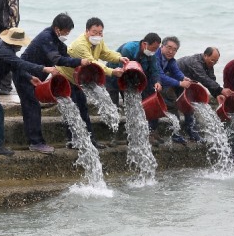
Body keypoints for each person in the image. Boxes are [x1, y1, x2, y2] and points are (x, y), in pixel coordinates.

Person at [0, 28, 58, 156]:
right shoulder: (3, 51)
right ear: (14, 43)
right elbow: (21, 63)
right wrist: (44, 69)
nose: (20, 46)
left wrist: (30, 78)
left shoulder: (5, 48)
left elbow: (15, 66)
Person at [16, 13, 90, 154]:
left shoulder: (56, 39)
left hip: (37, 76)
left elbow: (66, 56)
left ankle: (67, 140)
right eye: (66, 31)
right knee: (32, 108)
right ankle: (35, 143)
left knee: (34, 107)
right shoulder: (46, 38)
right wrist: (79, 61)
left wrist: (80, 68)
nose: (67, 34)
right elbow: (57, 59)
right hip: (24, 75)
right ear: (57, 29)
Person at [57, 17, 128, 149]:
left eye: (100, 32)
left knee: (83, 109)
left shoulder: (99, 41)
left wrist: (119, 58)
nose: (98, 35)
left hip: (78, 80)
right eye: (94, 32)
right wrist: (112, 72)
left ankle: (91, 140)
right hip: (65, 78)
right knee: (71, 110)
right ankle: (73, 141)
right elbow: (92, 63)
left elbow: (105, 53)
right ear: (87, 31)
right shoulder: (80, 44)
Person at [106, 33, 162, 145]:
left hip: (132, 80)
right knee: (113, 107)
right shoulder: (128, 49)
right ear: (145, 44)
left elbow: (155, 70)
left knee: (132, 107)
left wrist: (157, 82)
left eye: (157, 49)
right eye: (153, 48)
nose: (155, 51)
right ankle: (113, 136)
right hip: (114, 78)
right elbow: (126, 68)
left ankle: (131, 136)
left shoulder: (151, 54)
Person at [177, 46, 234, 140]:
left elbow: (211, 79)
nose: (214, 63)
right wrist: (221, 90)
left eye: (216, 61)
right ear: (205, 55)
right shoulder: (195, 62)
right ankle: (180, 133)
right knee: (177, 106)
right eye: (212, 60)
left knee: (191, 104)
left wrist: (217, 94)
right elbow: (203, 78)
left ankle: (191, 131)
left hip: (187, 84)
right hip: (172, 81)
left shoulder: (209, 64)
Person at [155, 36, 192, 144]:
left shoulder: (170, 60)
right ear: (162, 46)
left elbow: (176, 71)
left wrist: (183, 78)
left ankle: (175, 133)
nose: (171, 51)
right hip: (148, 83)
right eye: (168, 47)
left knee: (173, 104)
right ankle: (152, 133)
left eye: (174, 49)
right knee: (156, 106)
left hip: (159, 85)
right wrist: (180, 83)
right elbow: (160, 76)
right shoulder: (155, 57)